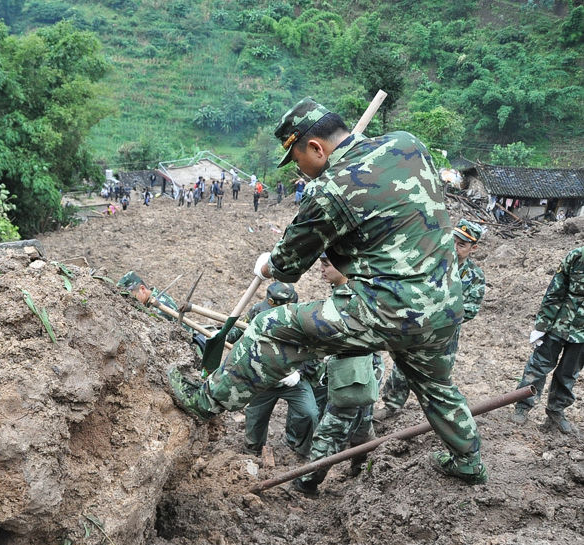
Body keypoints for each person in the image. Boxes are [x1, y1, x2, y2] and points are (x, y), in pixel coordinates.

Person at [167, 97, 487, 485]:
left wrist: (265, 263)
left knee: (271, 326)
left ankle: (205, 402)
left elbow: (286, 268)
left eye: (298, 160)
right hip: (445, 303)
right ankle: (468, 460)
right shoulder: (407, 144)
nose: (300, 171)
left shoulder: (330, 191)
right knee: (433, 383)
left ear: (316, 147)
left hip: (388, 309)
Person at [375, 219, 486, 420]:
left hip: (446, 334)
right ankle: (391, 405)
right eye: (453, 241)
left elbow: (470, 308)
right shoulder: (431, 263)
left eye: (462, 245)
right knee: (403, 366)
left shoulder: (475, 276)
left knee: (439, 374)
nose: (454, 247)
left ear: (474, 248)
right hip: (417, 326)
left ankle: (437, 415)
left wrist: (440, 317)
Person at [291, 255, 383, 496]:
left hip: (352, 370)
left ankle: (309, 482)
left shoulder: (350, 297)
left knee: (332, 429)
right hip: (362, 368)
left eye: (326, 265)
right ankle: (362, 464)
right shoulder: (355, 288)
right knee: (362, 420)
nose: (321, 270)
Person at [227, 283, 317, 458]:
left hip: (292, 379)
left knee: (309, 413)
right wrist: (219, 334)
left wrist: (299, 372)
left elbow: (317, 352)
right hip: (262, 377)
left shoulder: (305, 319)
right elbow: (235, 332)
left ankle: (299, 448)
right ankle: (252, 453)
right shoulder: (257, 311)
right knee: (255, 420)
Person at [509, 247, 584, 435]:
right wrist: (541, 325)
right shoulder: (577, 256)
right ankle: (523, 405)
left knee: (568, 373)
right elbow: (556, 290)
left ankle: (556, 410)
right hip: (559, 323)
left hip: (582, 335)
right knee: (539, 365)